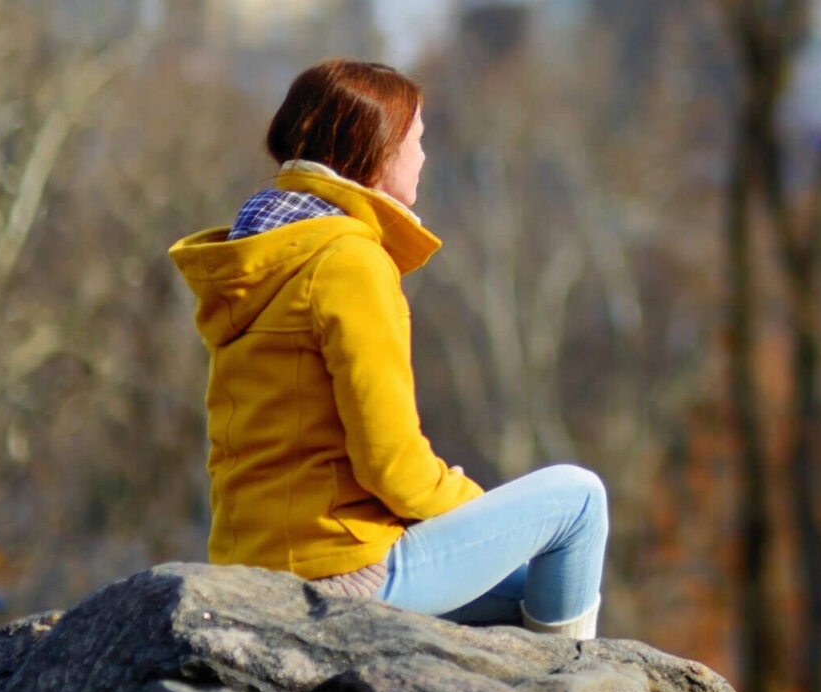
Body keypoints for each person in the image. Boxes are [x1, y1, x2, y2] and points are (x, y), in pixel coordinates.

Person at [169, 59, 606, 637]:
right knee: (577, 500)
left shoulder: (260, 254)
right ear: (377, 150)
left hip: (255, 565)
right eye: (418, 141)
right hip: (342, 571)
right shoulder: (348, 262)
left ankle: (552, 682)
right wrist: (480, 514)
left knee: (531, 595)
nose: (424, 158)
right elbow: (392, 466)